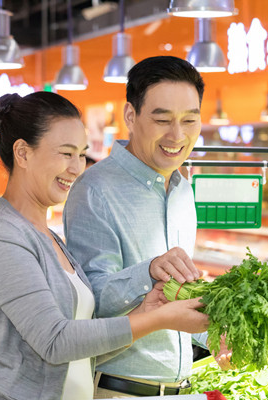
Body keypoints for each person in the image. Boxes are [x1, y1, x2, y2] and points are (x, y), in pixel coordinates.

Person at [0, 91, 209, 400]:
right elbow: (55, 342)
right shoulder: (0, 236)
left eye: (81, 154)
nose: (77, 168)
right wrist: (157, 319)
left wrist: (146, 310)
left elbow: (79, 356)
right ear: (22, 153)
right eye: (66, 154)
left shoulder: (51, 238)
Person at [64, 56, 231, 398]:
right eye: (162, 119)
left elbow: (175, 305)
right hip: (120, 390)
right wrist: (148, 272)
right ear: (131, 116)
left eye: (189, 120)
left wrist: (215, 332)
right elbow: (86, 301)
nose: (177, 135)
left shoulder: (183, 190)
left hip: (182, 389)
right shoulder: (94, 189)